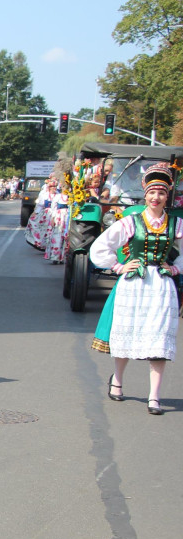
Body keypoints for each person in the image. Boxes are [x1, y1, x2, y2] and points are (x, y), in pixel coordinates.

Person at [91, 163, 183, 416]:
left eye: (162, 193)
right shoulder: (132, 221)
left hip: (162, 286)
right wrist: (119, 267)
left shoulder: (176, 224)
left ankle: (154, 396)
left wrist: (175, 269)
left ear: (167, 196)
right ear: (146, 194)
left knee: (159, 337)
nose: (156, 197)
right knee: (127, 334)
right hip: (134, 284)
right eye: (152, 192)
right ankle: (117, 380)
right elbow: (100, 248)